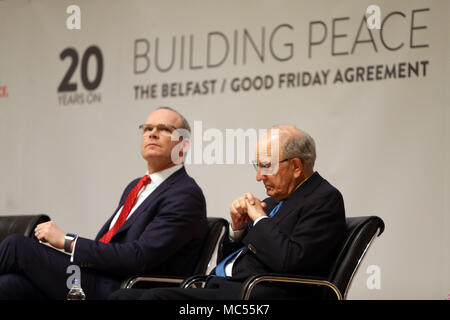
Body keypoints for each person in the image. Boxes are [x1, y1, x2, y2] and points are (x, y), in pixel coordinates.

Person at [110, 125, 346, 300]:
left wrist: (259, 219)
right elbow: (240, 257)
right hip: (228, 287)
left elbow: (291, 261)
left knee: (155, 300)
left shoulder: (323, 198)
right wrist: (238, 229)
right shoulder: (274, 202)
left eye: (266, 166)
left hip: (260, 295)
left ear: (295, 166)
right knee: (122, 297)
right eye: (258, 167)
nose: (258, 176)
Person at [0, 107, 207, 299]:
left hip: (121, 288)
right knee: (9, 285)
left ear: (184, 144)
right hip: (94, 276)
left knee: (17, 246)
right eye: (147, 128)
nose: (152, 133)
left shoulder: (185, 194)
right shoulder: (136, 186)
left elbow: (139, 257)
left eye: (164, 129)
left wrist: (68, 241)